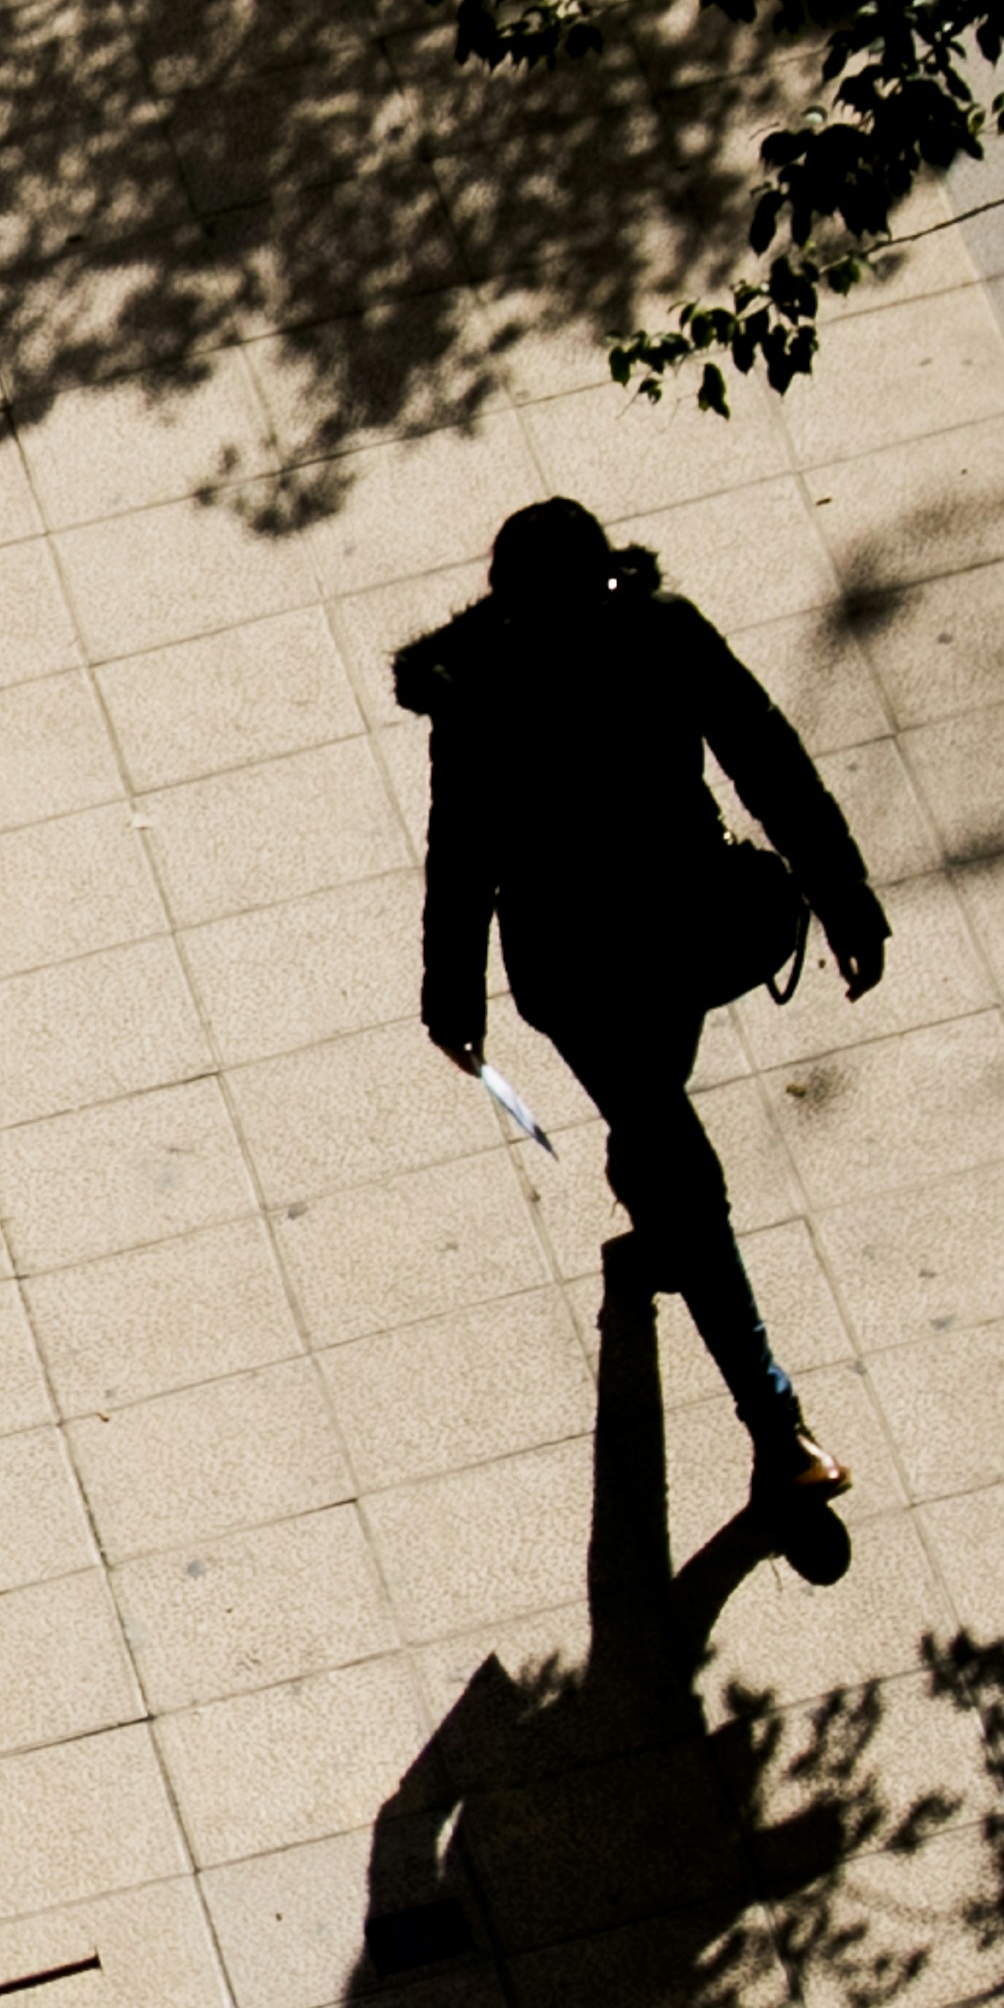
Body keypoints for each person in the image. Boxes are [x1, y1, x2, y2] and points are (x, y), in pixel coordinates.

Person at [396, 498, 886, 1505]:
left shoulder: (650, 637)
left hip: (666, 940)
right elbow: (464, 855)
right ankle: (773, 1421)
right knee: (680, 1163)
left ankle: (648, 1186)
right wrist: (451, 989)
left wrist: (844, 891)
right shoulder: (482, 694)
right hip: (595, 972)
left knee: (652, 1115)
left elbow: (767, 758)